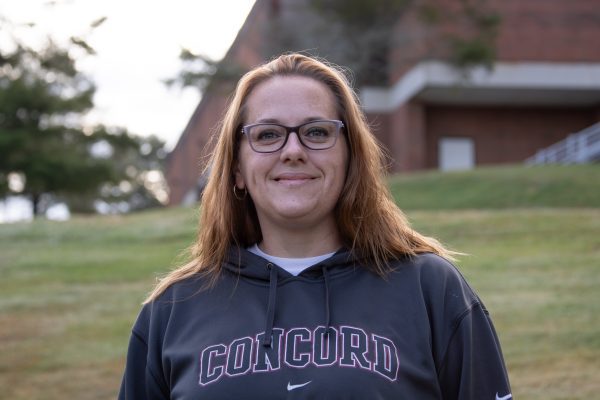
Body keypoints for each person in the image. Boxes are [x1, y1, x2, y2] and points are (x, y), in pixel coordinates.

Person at [119, 53, 512, 399]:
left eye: (317, 132)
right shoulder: (173, 308)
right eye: (268, 134)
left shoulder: (430, 289)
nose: (293, 151)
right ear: (237, 168)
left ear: (349, 158)